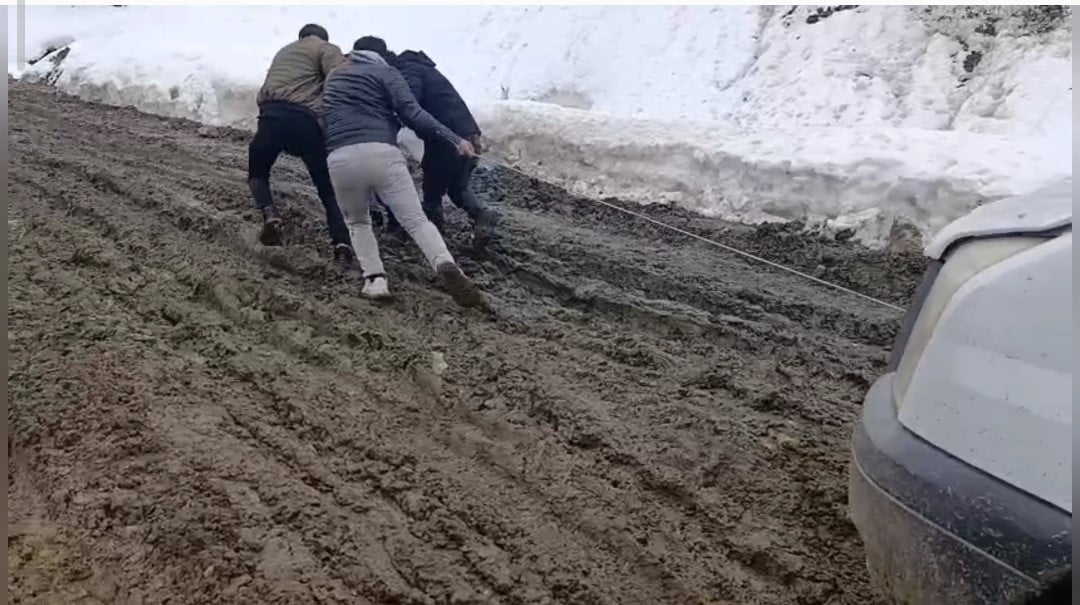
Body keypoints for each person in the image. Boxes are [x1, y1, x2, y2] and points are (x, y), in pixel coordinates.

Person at [321, 36, 486, 308]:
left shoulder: (334, 77)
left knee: (358, 223)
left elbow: (324, 116)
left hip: (340, 156)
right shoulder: (387, 72)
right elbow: (413, 113)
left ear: (354, 52)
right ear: (381, 55)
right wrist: (455, 139)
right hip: (381, 152)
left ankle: (375, 280)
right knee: (417, 220)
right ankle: (444, 263)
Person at [248, 24, 353, 264]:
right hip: (305, 121)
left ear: (301, 36)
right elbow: (339, 80)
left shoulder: (283, 51)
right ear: (322, 36)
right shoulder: (326, 48)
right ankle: (342, 244)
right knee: (326, 188)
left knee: (258, 171)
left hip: (271, 115)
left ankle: (270, 214)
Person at [392, 46, 495, 244]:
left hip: (446, 137)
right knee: (458, 189)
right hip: (469, 135)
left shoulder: (409, 70)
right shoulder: (428, 71)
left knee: (432, 191)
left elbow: (408, 102)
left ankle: (433, 236)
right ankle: (482, 216)